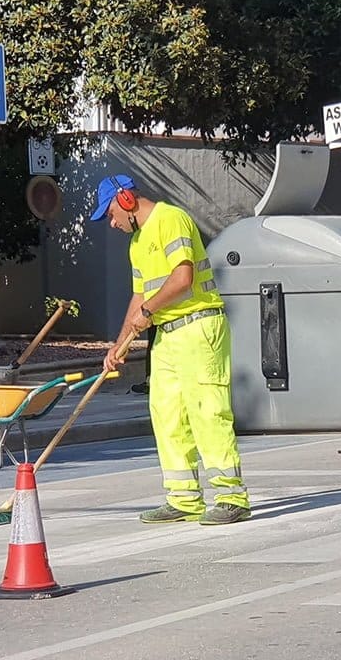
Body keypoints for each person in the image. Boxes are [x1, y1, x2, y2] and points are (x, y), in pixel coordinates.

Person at [92, 174, 251, 525]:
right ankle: (183, 498)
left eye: (111, 213)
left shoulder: (171, 219)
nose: (112, 223)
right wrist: (118, 345)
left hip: (198, 326)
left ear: (127, 200)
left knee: (207, 410)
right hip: (166, 335)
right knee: (166, 413)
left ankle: (231, 496)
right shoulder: (137, 243)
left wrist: (147, 313)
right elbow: (139, 296)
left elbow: (183, 279)